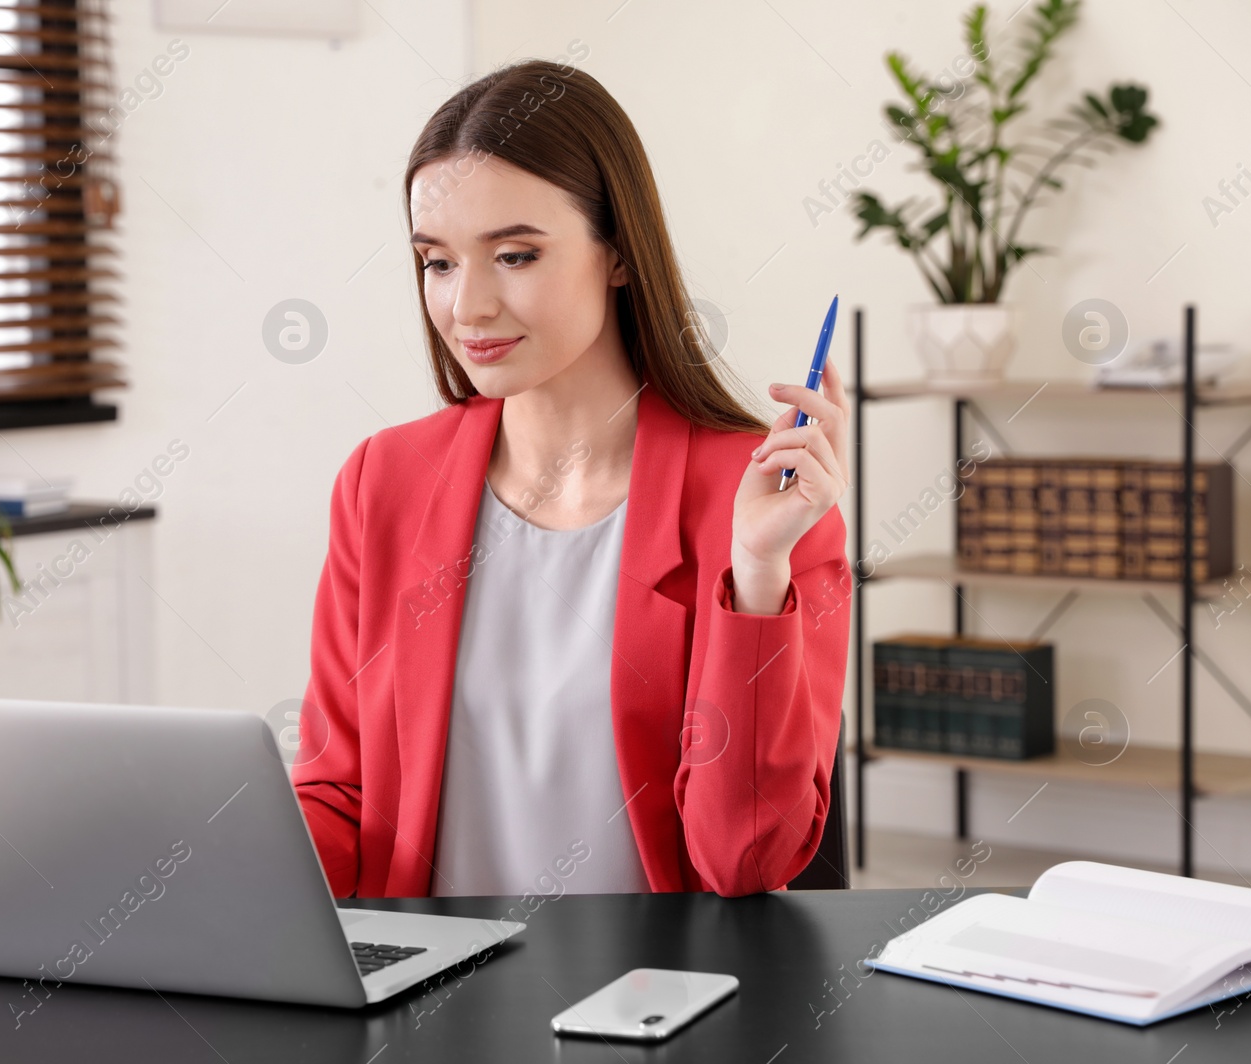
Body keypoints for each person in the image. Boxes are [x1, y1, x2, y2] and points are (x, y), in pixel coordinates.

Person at [292, 58, 852, 900]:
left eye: (514, 255)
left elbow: (745, 861)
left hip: (657, 1003)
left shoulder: (758, 500)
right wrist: (222, 877)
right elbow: (341, 790)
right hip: (428, 999)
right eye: (436, 263)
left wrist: (761, 576)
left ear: (620, 254)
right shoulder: (384, 480)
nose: (467, 306)